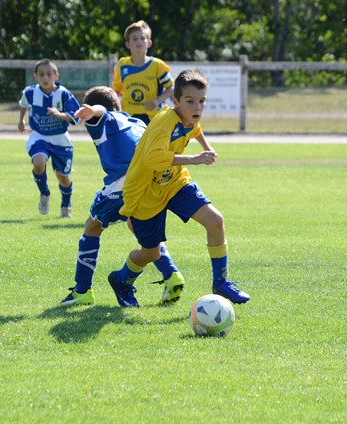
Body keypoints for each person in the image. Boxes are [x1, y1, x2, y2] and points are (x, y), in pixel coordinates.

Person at [111, 69, 250, 307]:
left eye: (202, 101)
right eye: (190, 101)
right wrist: (195, 158)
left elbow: (195, 129)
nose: (197, 107)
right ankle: (121, 280)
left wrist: (207, 147)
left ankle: (221, 282)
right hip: (145, 194)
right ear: (175, 101)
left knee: (215, 220)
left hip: (174, 182)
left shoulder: (188, 117)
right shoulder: (165, 122)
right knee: (151, 253)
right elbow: (153, 159)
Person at [61, 86, 184, 307]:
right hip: (153, 182)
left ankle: (82, 291)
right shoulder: (137, 122)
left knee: (92, 227)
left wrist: (93, 110)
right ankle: (172, 274)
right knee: (138, 228)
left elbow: (102, 112)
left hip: (126, 183)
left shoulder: (106, 119)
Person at [18, 58, 80, 218]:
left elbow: (75, 115)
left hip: (60, 140)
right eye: (41, 74)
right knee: (38, 163)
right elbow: (23, 104)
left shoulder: (63, 94)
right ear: (35, 76)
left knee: (63, 177)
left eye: (49, 74)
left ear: (56, 76)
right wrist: (21, 120)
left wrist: (59, 114)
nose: (45, 78)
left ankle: (66, 203)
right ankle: (44, 193)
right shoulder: (30, 92)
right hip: (40, 137)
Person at [111, 20, 174, 126]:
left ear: (149, 43)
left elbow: (171, 87)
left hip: (152, 119)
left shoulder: (157, 65)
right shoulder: (122, 64)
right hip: (128, 118)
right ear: (127, 44)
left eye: (142, 38)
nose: (139, 41)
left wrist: (157, 100)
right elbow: (116, 91)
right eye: (134, 38)